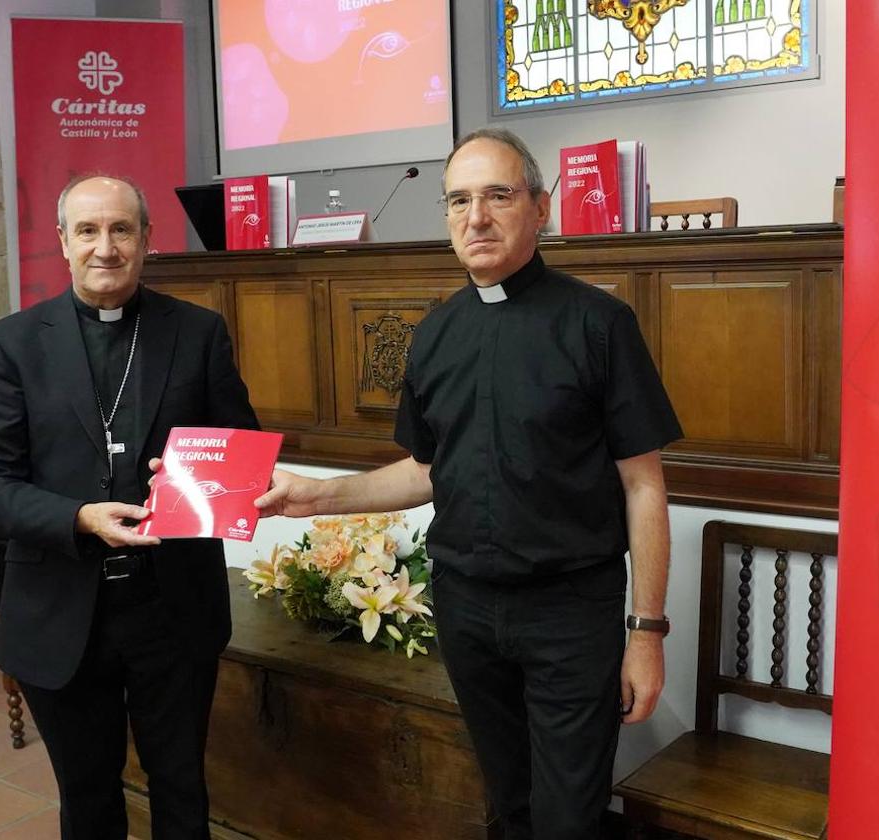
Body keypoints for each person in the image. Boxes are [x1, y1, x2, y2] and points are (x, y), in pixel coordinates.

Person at [254, 128, 683, 839]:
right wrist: (315, 497)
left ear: (539, 207)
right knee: (505, 804)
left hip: (569, 613)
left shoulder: (599, 323)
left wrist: (646, 634)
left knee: (569, 818)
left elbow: (643, 487)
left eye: (497, 196)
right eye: (458, 200)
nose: (475, 217)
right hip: (468, 610)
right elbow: (427, 470)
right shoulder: (436, 332)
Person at [0, 175, 259, 840]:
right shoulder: (13, 344)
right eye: (88, 231)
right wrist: (78, 518)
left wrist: (214, 482)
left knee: (181, 788)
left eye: (122, 229)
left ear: (147, 240)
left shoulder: (199, 332)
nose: (106, 247)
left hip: (173, 611)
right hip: (62, 613)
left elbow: (236, 452)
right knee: (88, 797)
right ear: (62, 243)